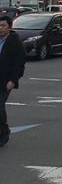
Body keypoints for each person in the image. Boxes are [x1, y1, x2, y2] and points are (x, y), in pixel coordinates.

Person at [0, 15, 26, 148]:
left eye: (3, 26)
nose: (0, 28)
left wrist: (13, 80)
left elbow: (19, 63)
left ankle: (3, 132)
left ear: (9, 27)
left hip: (5, 81)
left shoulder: (14, 42)